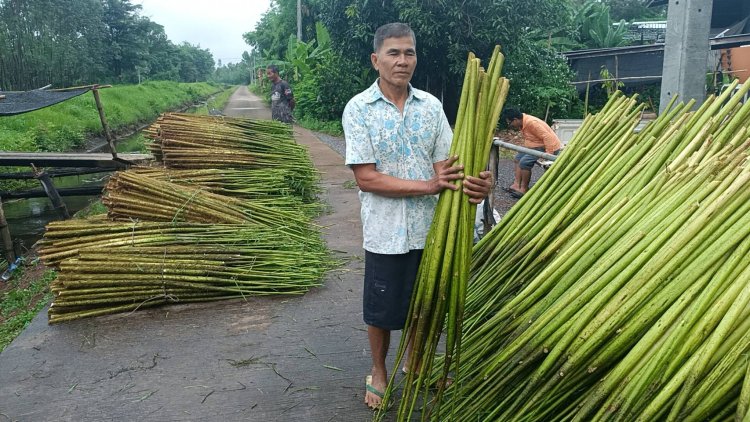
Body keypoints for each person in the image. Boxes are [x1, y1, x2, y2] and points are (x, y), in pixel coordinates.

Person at [342, 22, 493, 410]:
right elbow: (366, 177)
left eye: (409, 53)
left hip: (432, 230)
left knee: (426, 303)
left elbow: (449, 165)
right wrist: (428, 186)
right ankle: (379, 371)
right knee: (381, 311)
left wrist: (480, 184)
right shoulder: (359, 109)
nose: (402, 60)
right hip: (384, 231)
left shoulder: (431, 107)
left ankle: (416, 362)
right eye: (393, 53)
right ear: (376, 60)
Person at [501, 107, 562, 197]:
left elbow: (548, 137)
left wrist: (548, 154)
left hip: (546, 146)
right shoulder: (523, 122)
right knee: (517, 159)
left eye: (509, 123)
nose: (510, 125)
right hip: (534, 146)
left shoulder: (531, 123)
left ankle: (524, 189)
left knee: (524, 162)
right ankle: (516, 185)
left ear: (515, 119)